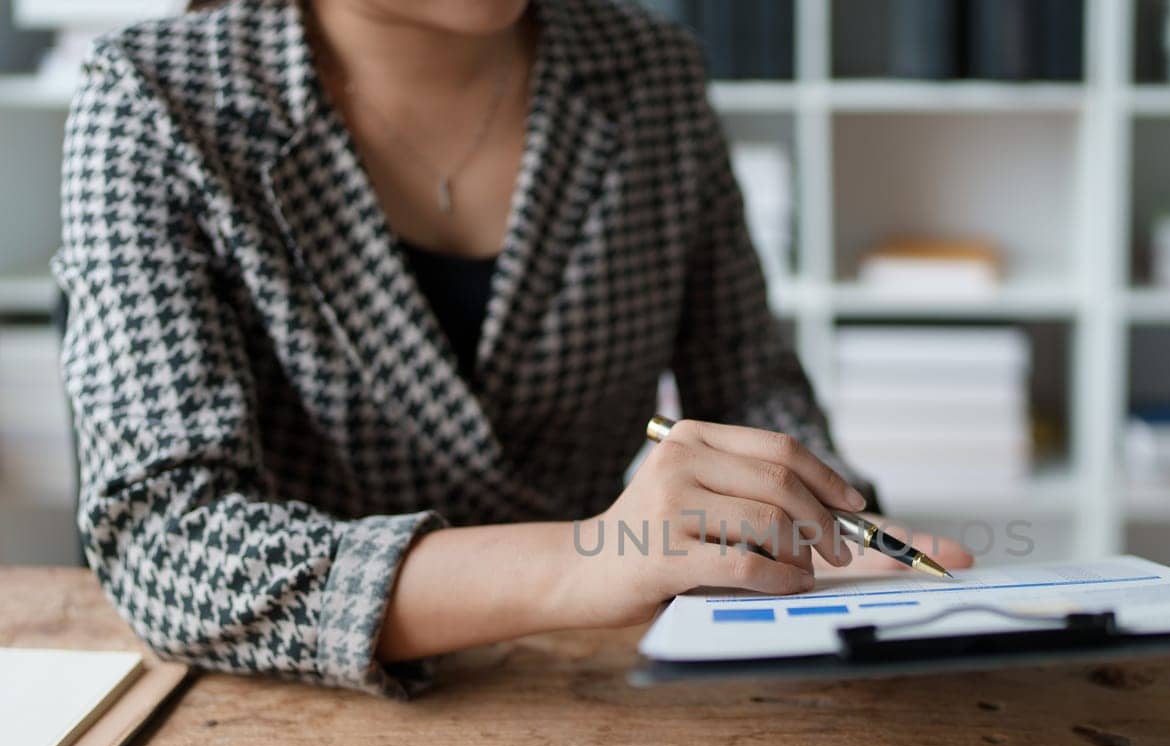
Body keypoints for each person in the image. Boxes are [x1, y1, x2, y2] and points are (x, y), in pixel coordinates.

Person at [55, 0, 971, 698]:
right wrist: (583, 561)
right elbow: (162, 540)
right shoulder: (153, 101)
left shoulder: (649, 71)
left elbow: (748, 381)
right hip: (293, 722)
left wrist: (827, 524)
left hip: (613, 695)